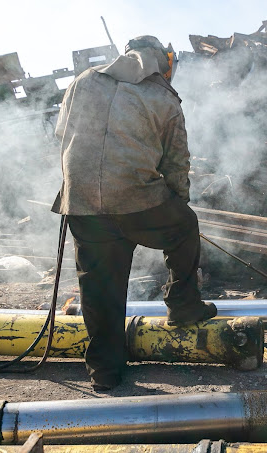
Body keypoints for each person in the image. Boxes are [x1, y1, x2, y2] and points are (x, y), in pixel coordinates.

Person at [51, 36, 217, 391]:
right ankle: (183, 305)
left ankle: (105, 373)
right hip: (137, 201)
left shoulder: (82, 80)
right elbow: (176, 161)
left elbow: (62, 133)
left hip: (81, 203)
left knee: (99, 287)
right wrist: (177, 200)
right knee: (184, 226)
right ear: (161, 61)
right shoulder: (163, 96)